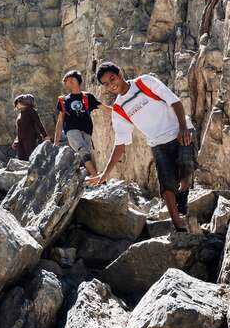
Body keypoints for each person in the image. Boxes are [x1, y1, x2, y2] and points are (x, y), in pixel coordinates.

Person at [87, 62, 193, 232]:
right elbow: (120, 143)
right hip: (157, 143)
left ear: (120, 73)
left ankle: (184, 193)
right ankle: (177, 223)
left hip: (178, 132)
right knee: (166, 182)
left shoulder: (144, 83)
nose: (111, 84)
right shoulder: (119, 109)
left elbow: (175, 102)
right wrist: (105, 173)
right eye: (106, 84)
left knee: (186, 167)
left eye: (112, 78)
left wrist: (182, 127)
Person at [54, 70, 110, 176]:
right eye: (67, 80)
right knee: (83, 150)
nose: (69, 81)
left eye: (72, 79)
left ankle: (85, 178)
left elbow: (103, 108)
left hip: (87, 130)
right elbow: (60, 120)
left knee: (85, 154)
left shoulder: (88, 97)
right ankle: (96, 177)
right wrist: (56, 141)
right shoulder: (63, 100)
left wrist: (119, 110)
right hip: (71, 130)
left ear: (78, 81)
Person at [12, 94, 49, 160]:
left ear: (22, 102)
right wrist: (16, 140)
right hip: (21, 141)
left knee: (31, 157)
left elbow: (39, 124)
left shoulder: (31, 111)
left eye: (17, 103)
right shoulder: (21, 113)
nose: (16, 105)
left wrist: (45, 136)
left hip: (30, 139)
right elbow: (20, 129)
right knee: (21, 160)